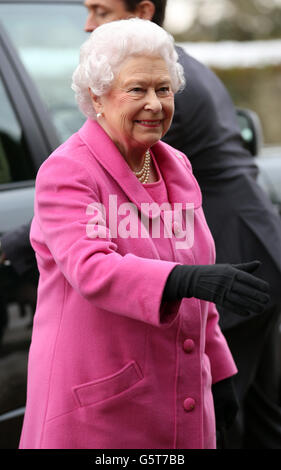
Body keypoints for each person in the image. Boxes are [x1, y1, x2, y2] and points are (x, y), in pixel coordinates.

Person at [2, 0, 281, 448]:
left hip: (178, 403)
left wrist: (221, 368)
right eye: (137, 90)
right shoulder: (69, 171)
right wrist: (185, 278)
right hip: (101, 412)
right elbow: (92, 267)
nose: (154, 104)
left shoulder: (176, 166)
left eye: (164, 89)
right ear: (97, 96)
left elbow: (199, 289)